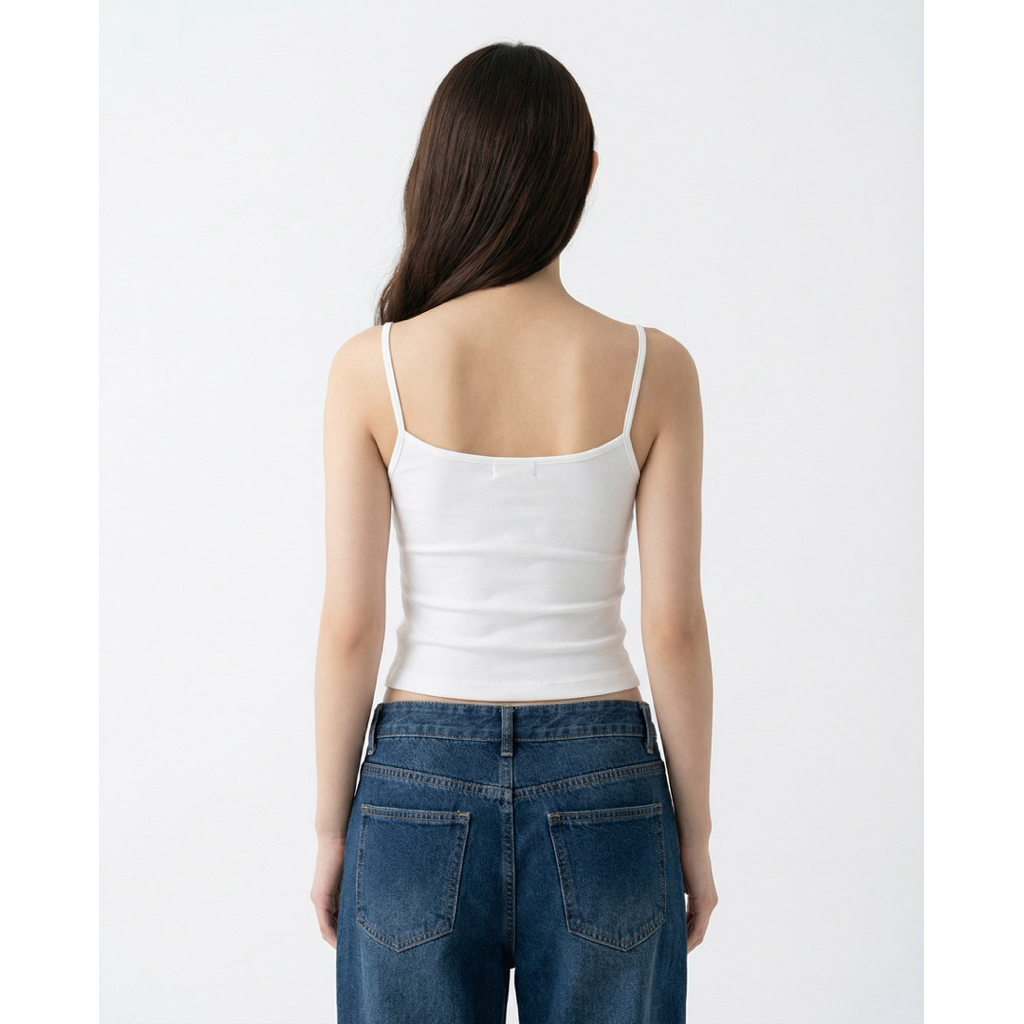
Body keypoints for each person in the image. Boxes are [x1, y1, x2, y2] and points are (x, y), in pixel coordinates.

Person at [311, 41, 716, 1024]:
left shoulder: (372, 368)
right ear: (585, 175)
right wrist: (694, 836)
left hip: (415, 782)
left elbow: (351, 626)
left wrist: (330, 830)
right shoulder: (653, 368)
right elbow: (672, 626)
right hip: (607, 781)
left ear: (439, 171)